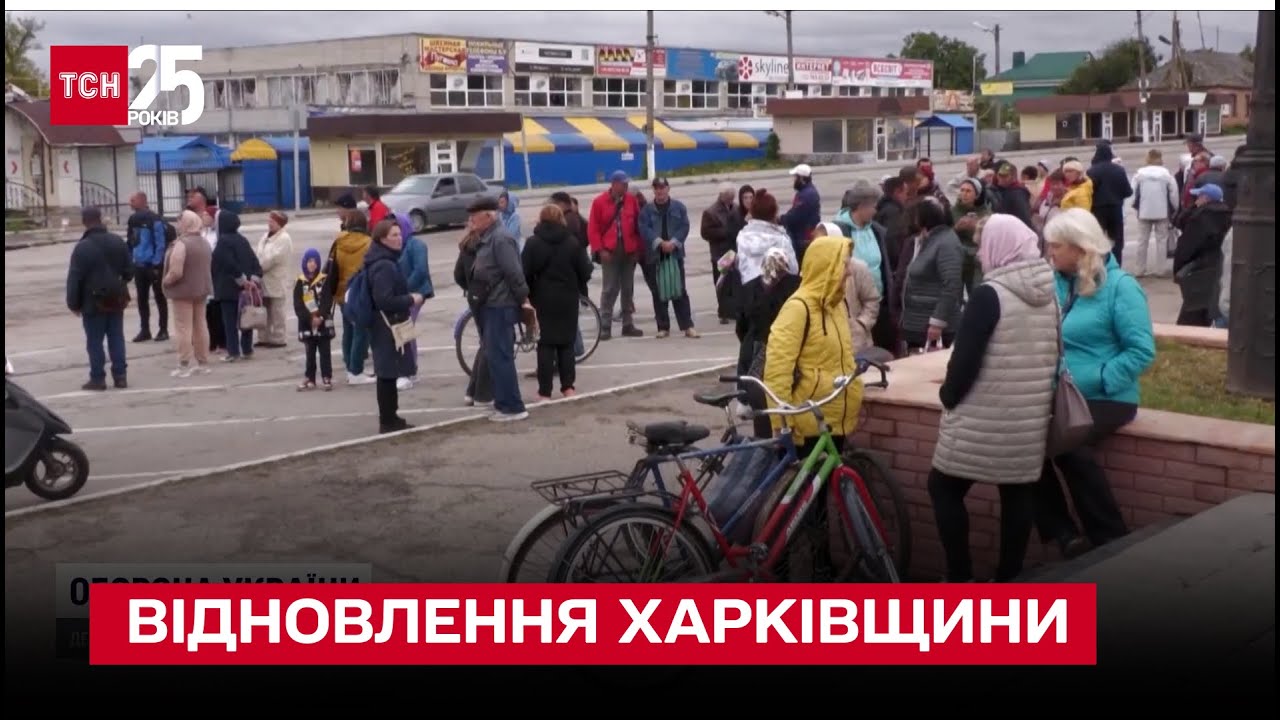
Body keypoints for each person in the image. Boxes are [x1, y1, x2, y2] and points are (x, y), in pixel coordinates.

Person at [928, 214, 1059, 583]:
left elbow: (965, 359)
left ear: (999, 247)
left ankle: (960, 578)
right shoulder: (1048, 293)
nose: (981, 253)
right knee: (1017, 492)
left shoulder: (990, 294)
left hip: (983, 418)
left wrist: (948, 395)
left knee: (943, 487)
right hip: (1029, 417)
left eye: (984, 244)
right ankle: (1007, 578)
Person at [1037, 208, 1156, 557]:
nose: (1049, 252)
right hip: (1062, 393)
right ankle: (1063, 533)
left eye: (1056, 246)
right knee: (1021, 447)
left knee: (1070, 445)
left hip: (1109, 396)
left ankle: (1110, 537)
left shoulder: (1121, 287)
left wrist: (1102, 377)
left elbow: (1141, 351)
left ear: (1079, 247)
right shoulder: (1054, 285)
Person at [761, 234, 863, 455]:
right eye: (844, 265)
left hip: (834, 418)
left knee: (830, 475)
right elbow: (778, 369)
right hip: (806, 422)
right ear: (828, 268)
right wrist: (780, 422)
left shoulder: (837, 306)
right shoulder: (798, 308)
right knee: (805, 478)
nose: (848, 272)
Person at [466, 196, 531, 422]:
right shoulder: (488, 237)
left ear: (489, 216)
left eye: (474, 216)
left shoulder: (501, 239)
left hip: (500, 306)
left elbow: (514, 272)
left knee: (501, 357)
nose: (471, 221)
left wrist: (523, 300)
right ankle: (503, 402)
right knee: (495, 357)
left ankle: (512, 407)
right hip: (491, 305)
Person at [523, 204, 593, 401]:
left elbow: (524, 273)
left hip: (542, 299)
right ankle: (568, 387)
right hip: (568, 298)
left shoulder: (533, 243)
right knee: (566, 344)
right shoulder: (572, 242)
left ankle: (544, 392)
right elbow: (586, 271)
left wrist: (529, 295)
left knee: (545, 344)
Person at [363, 220, 425, 434]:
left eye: (399, 234)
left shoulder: (384, 259)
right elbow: (384, 299)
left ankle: (391, 416)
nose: (399, 238)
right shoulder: (384, 265)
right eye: (393, 235)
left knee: (389, 370)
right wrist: (411, 299)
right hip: (386, 325)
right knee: (387, 372)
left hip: (385, 323)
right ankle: (388, 420)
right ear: (382, 239)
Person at [66, 206, 134, 391]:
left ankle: (98, 378)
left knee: (95, 341)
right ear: (101, 219)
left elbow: (75, 278)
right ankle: (120, 376)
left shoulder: (82, 248)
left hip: (92, 301)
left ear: (84, 222)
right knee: (116, 337)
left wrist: (73, 303)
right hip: (116, 298)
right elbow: (129, 271)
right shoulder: (117, 241)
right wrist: (118, 283)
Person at [734, 190, 800, 376]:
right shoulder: (781, 240)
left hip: (749, 297)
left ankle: (748, 385)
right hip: (778, 300)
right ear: (773, 213)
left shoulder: (742, 237)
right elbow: (793, 269)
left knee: (750, 348)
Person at [831, 181, 896, 351]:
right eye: (873, 207)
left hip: (878, 302)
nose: (875, 211)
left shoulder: (877, 231)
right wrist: (860, 323)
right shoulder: (838, 230)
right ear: (861, 206)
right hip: (854, 308)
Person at [896, 198, 965, 354]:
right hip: (917, 319)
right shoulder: (927, 240)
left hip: (931, 324)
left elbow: (952, 283)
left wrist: (937, 322)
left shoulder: (946, 243)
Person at [587, 170, 644, 341]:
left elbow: (638, 226)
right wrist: (600, 249)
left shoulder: (631, 200)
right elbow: (593, 229)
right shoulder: (599, 202)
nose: (626, 186)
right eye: (623, 184)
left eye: (627, 183)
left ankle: (628, 323)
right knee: (609, 288)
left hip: (628, 250)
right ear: (614, 184)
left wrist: (638, 249)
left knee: (628, 287)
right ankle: (605, 325)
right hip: (609, 251)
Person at [639, 177, 698, 339]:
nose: (660, 191)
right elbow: (644, 229)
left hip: (675, 254)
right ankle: (663, 327)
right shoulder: (646, 210)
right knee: (658, 292)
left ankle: (687, 326)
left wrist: (674, 242)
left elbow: (684, 227)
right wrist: (659, 242)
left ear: (668, 189)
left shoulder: (679, 207)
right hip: (656, 256)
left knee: (680, 290)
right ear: (653, 190)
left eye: (662, 187)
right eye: (657, 188)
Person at [812, 222, 879, 357]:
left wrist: (861, 324)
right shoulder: (812, 270)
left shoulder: (857, 268)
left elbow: (871, 300)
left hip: (856, 342)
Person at [161, 210, 214, 378]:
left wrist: (166, 281)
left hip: (182, 291)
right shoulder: (204, 242)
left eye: (180, 221)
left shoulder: (182, 244)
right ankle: (202, 362)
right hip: (201, 290)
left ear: (186, 223)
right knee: (200, 325)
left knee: (183, 328)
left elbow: (176, 271)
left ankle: (183, 363)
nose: (178, 224)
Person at [1173, 184, 1231, 327]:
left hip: (1200, 268)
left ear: (1205, 198)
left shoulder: (1200, 217)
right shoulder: (1229, 214)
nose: (1196, 199)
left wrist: (1178, 269)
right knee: (1213, 304)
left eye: (1199, 196)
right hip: (1219, 266)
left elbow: (1187, 246)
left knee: (1193, 313)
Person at [326, 210, 374, 384]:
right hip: (361, 292)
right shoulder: (369, 243)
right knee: (362, 332)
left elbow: (331, 267)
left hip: (342, 293)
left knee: (348, 331)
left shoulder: (339, 242)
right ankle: (356, 371)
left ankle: (349, 367)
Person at [211, 211, 263, 362]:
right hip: (245, 290)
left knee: (230, 322)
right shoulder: (242, 240)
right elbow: (255, 263)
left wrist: (241, 279)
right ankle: (247, 349)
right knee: (246, 319)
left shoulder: (223, 242)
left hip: (228, 288)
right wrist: (253, 280)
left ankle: (233, 351)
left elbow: (227, 262)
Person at [125, 192, 169, 343]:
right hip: (139, 265)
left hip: (153, 266)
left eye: (133, 200)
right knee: (142, 299)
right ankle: (145, 330)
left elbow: (160, 242)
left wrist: (157, 263)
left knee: (159, 297)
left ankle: (163, 329)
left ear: (142, 201)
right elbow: (130, 241)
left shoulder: (154, 219)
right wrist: (130, 260)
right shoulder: (133, 219)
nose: (130, 203)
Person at [395, 218, 433, 390]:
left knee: (405, 328)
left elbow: (420, 270)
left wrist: (405, 289)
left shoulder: (416, 245)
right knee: (406, 329)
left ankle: (409, 370)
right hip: (405, 294)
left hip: (416, 292)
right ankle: (410, 368)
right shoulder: (400, 245)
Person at [1130, 148, 1180, 278]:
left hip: (1144, 211)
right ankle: (1160, 270)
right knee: (1162, 241)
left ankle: (1139, 269)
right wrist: (1175, 208)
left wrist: (1134, 205)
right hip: (1162, 211)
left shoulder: (1139, 174)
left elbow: (1132, 191)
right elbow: (1174, 194)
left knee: (1142, 241)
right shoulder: (1166, 174)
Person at [293, 248, 336, 391]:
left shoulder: (324, 280)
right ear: (305, 263)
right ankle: (310, 377)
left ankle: (326, 376)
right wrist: (309, 318)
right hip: (307, 324)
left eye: (315, 261)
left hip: (322, 323)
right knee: (309, 351)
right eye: (309, 261)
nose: (312, 264)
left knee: (325, 351)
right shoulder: (300, 282)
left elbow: (327, 300)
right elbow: (298, 304)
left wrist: (321, 316)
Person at [701, 182, 742, 324]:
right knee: (721, 282)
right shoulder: (710, 212)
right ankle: (723, 312)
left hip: (734, 251)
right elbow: (705, 233)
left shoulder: (736, 208)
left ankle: (734, 310)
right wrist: (725, 232)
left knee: (735, 281)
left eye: (733, 197)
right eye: (729, 197)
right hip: (720, 252)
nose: (731, 199)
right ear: (722, 196)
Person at [1086, 143, 1133, 268]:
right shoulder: (1119, 170)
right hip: (1115, 208)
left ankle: (1099, 265)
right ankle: (1116, 265)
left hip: (1097, 209)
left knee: (1097, 239)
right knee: (1117, 240)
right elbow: (1128, 191)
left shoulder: (1092, 171)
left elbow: (1088, 191)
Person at [254, 210, 294, 348]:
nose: (269, 223)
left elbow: (273, 258)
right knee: (264, 310)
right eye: (269, 221)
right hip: (263, 279)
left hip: (276, 279)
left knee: (277, 311)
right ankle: (263, 337)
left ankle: (279, 338)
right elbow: (259, 253)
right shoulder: (265, 236)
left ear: (279, 223)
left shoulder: (284, 238)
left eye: (272, 221)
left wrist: (259, 267)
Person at [951, 178, 992, 294]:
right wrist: (956, 228)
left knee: (976, 292)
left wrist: (977, 227)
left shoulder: (986, 213)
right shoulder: (952, 211)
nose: (964, 194)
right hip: (957, 259)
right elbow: (944, 236)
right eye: (962, 190)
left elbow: (992, 237)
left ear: (977, 195)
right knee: (955, 295)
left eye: (968, 191)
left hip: (977, 262)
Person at [780, 163, 821, 264]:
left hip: (803, 239)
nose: (793, 180)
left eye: (795, 177)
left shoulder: (807, 195)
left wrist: (780, 219)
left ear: (801, 179)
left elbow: (795, 216)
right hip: (803, 237)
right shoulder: (806, 192)